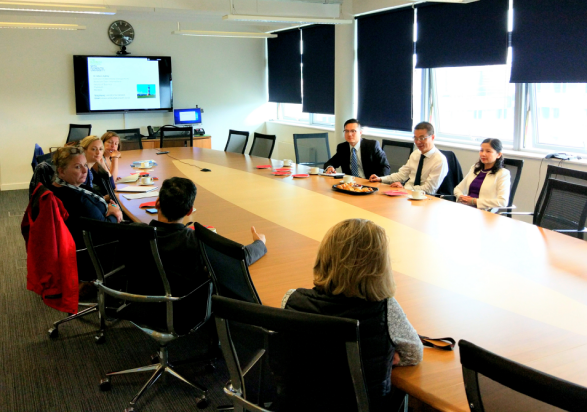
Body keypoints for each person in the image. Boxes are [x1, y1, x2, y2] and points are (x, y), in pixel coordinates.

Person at [282, 219, 423, 409]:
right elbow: (414, 354)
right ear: (380, 268)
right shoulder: (386, 308)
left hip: (299, 405)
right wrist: (389, 355)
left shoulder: (292, 300)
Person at [135, 177, 267, 290]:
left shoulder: (134, 233)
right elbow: (237, 258)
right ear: (190, 211)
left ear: (157, 203)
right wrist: (259, 243)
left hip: (139, 303)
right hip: (186, 307)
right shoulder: (197, 241)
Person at [49, 147, 122, 249]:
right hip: (104, 246)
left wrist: (105, 201)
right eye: (77, 167)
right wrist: (115, 211)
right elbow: (106, 228)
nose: (85, 170)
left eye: (85, 165)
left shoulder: (63, 186)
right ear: (61, 171)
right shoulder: (76, 199)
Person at [369, 122, 448, 195]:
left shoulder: (439, 160)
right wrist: (380, 179)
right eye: (415, 138)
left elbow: (429, 189)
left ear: (432, 137)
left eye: (422, 138)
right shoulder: (415, 154)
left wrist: (404, 188)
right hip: (407, 195)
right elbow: (401, 175)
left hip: (425, 198)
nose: (418, 142)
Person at [454, 138, 511, 209]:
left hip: (485, 211)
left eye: (488, 151)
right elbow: (458, 189)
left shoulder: (503, 173)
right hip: (467, 208)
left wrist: (474, 201)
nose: (483, 154)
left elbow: (502, 202)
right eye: (481, 150)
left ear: (498, 155)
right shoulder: (475, 168)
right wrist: (461, 196)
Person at [324, 118, 391, 178]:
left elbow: (385, 167)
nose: (349, 134)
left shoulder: (372, 145)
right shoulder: (342, 147)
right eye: (346, 131)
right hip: (350, 184)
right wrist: (330, 167)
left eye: (353, 131)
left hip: (369, 182)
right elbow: (330, 163)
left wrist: (377, 178)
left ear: (360, 132)